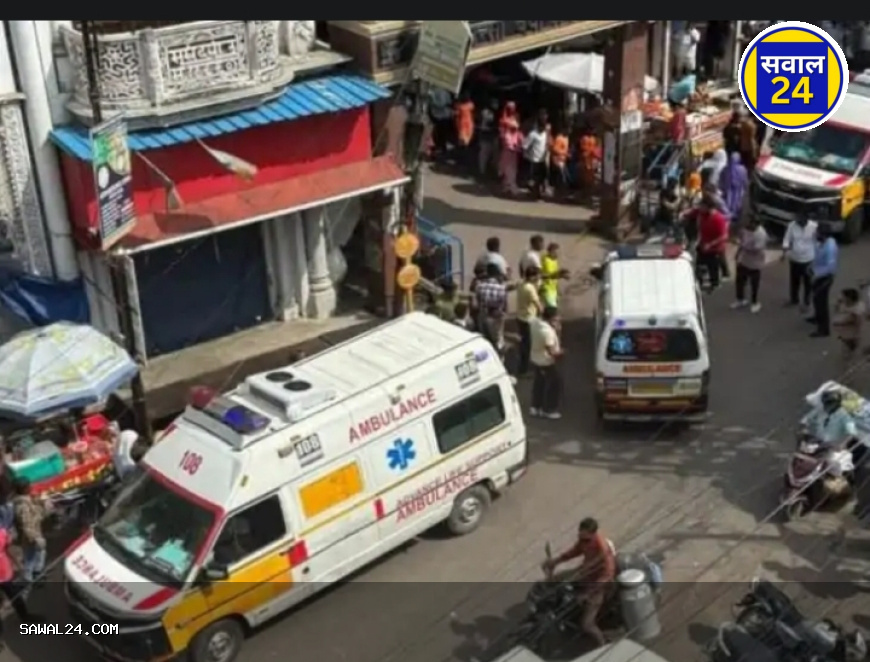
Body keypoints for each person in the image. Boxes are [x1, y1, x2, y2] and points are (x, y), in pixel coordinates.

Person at [541, 517, 616, 648]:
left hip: (599, 585)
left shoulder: (603, 550)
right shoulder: (584, 540)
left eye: (586, 538)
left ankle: (603, 644)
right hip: (586, 574)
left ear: (593, 534)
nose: (582, 540)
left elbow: (607, 576)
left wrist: (588, 593)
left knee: (587, 624)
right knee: (563, 586)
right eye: (580, 536)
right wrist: (556, 561)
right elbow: (574, 551)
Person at [801, 389, 858, 476]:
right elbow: (806, 421)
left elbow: (852, 433)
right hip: (815, 442)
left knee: (837, 464)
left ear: (836, 404)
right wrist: (803, 429)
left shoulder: (845, 417)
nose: (827, 406)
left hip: (831, 446)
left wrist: (842, 444)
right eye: (826, 403)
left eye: (830, 403)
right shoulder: (820, 410)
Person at [688, 191, 729, 291]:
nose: (700, 208)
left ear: (708, 207)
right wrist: (684, 214)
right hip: (702, 245)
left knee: (713, 268)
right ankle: (699, 282)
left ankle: (715, 284)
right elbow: (693, 212)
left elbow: (724, 236)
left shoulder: (718, 219)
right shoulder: (702, 213)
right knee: (699, 265)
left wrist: (710, 244)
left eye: (702, 206)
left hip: (714, 249)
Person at [530, 306, 563, 419]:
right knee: (554, 384)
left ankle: (535, 406)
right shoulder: (547, 332)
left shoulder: (535, 323)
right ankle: (548, 409)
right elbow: (552, 352)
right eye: (556, 318)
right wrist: (561, 352)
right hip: (545, 362)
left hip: (535, 358)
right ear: (551, 318)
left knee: (539, 383)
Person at [12, 479, 47, 585]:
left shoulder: (26, 501)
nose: (31, 487)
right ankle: (28, 580)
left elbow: (37, 514)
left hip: (33, 534)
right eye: (29, 486)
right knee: (30, 560)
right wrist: (36, 539)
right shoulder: (23, 506)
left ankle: (37, 574)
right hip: (30, 538)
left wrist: (37, 500)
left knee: (39, 555)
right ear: (24, 489)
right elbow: (26, 525)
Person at [731, 216, 768, 313]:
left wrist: (742, 246)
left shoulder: (761, 234)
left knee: (754, 283)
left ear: (755, 224)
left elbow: (756, 249)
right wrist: (738, 253)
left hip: (755, 262)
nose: (748, 225)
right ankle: (740, 299)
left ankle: (755, 302)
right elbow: (742, 241)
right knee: (739, 280)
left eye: (750, 224)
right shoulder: (745, 230)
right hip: (744, 259)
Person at [781, 214, 817, 312]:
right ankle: (794, 299)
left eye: (800, 221)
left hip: (808, 259)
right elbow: (787, 238)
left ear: (806, 220)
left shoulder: (814, 227)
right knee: (794, 281)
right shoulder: (792, 225)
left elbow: (816, 242)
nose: (798, 222)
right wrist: (785, 250)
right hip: (795, 258)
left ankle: (806, 302)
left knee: (807, 283)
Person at [808, 224, 838, 338]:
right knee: (816, 298)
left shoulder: (830, 247)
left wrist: (816, 274)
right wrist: (811, 266)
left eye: (818, 233)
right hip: (817, 273)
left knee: (821, 301)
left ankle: (823, 329)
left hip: (825, 277)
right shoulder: (821, 242)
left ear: (823, 235)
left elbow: (830, 267)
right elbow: (817, 257)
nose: (815, 234)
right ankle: (817, 317)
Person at [474, 262, 509, 357]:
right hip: (496, 316)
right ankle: (499, 358)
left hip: (483, 315)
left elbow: (477, 302)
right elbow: (505, 306)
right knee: (498, 340)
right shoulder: (501, 288)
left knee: (485, 339)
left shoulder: (479, 286)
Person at [517, 266, 543, 377]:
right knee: (529, 345)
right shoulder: (530, 289)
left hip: (520, 317)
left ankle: (524, 367)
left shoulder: (521, 285)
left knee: (525, 343)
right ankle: (524, 369)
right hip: (529, 319)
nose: (538, 278)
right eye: (536, 276)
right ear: (532, 277)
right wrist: (543, 315)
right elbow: (538, 305)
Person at [523, 114, 550, 200]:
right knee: (534, 179)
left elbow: (547, 144)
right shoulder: (533, 134)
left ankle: (538, 193)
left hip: (542, 159)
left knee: (541, 178)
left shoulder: (546, 134)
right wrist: (527, 155)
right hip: (534, 160)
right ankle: (534, 194)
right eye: (541, 126)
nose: (543, 128)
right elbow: (525, 146)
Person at [833, 288, 865, 357]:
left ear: (849, 298)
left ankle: (852, 358)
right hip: (844, 332)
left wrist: (840, 322)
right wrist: (837, 304)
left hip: (851, 333)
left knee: (850, 348)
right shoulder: (844, 304)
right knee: (846, 346)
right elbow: (837, 311)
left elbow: (856, 322)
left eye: (843, 296)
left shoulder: (856, 311)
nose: (840, 297)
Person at [719, 152, 749, 224]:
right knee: (737, 202)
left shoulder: (725, 168)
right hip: (738, 190)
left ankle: (728, 216)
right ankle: (734, 216)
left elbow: (721, 179)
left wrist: (722, 187)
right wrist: (746, 187)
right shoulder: (742, 169)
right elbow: (745, 180)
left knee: (728, 202)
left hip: (727, 189)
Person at [499, 113, 523, 196]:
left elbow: (521, 142)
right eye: (513, 128)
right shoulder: (507, 135)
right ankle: (513, 189)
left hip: (514, 156)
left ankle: (506, 188)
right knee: (509, 172)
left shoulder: (517, 134)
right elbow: (509, 145)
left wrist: (519, 145)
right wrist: (517, 148)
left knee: (512, 172)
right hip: (508, 155)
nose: (514, 129)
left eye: (515, 128)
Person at [540, 243, 569, 309]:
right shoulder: (544, 260)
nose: (558, 254)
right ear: (551, 251)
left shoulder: (555, 260)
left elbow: (554, 276)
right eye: (556, 252)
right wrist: (560, 273)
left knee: (550, 309)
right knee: (552, 309)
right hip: (546, 288)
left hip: (553, 289)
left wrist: (562, 276)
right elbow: (542, 275)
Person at [476, 98, 499, 178]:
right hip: (485, 135)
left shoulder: (496, 113)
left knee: (493, 154)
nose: (496, 105)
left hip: (492, 135)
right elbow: (484, 123)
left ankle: (488, 171)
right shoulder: (486, 112)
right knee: (484, 154)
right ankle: (482, 171)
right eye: (494, 103)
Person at [454, 93, 475, 165]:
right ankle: (463, 159)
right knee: (465, 143)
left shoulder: (460, 106)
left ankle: (460, 159)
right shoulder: (471, 105)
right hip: (468, 125)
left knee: (461, 143)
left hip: (463, 125)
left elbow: (456, 116)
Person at [549, 125, 569, 194]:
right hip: (558, 160)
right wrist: (564, 153)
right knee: (561, 177)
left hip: (563, 160)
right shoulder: (559, 138)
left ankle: (560, 192)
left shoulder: (566, 138)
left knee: (563, 177)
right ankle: (558, 192)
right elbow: (555, 149)